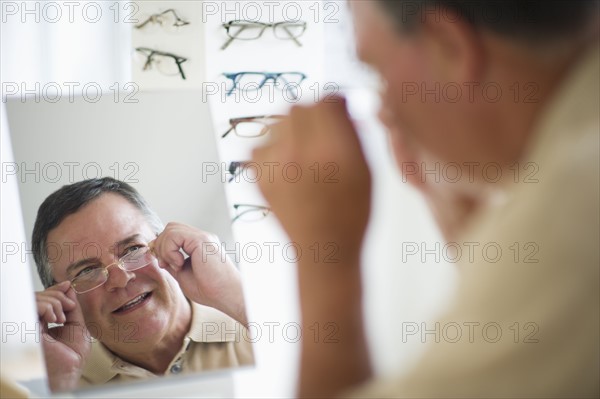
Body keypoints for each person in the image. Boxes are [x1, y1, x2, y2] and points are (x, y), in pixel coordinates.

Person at [252, 0, 599, 397]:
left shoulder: (569, 213)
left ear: (449, 45)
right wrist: (468, 224)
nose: (385, 111)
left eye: (376, 69)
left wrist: (325, 260)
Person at [33, 177, 253, 392]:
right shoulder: (61, 383)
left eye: (132, 249)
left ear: (168, 243)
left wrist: (237, 299)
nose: (121, 279)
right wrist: (61, 384)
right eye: (87, 271)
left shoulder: (255, 323)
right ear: (61, 299)